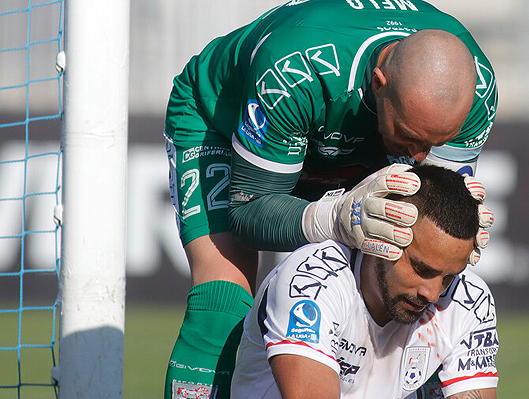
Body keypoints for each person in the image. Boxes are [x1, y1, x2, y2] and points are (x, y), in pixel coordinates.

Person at [163, 0, 497, 397]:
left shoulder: (477, 89)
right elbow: (249, 211)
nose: (420, 156)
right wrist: (336, 216)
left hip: (348, 138)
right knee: (222, 300)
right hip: (222, 123)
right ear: (379, 83)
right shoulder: (294, 70)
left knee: (409, 289)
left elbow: (426, 218)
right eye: (409, 135)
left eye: (436, 142)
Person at [231, 164, 498, 399]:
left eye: (448, 277)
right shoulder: (311, 281)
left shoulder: (470, 299)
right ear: (382, 236)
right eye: (420, 268)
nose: (432, 293)